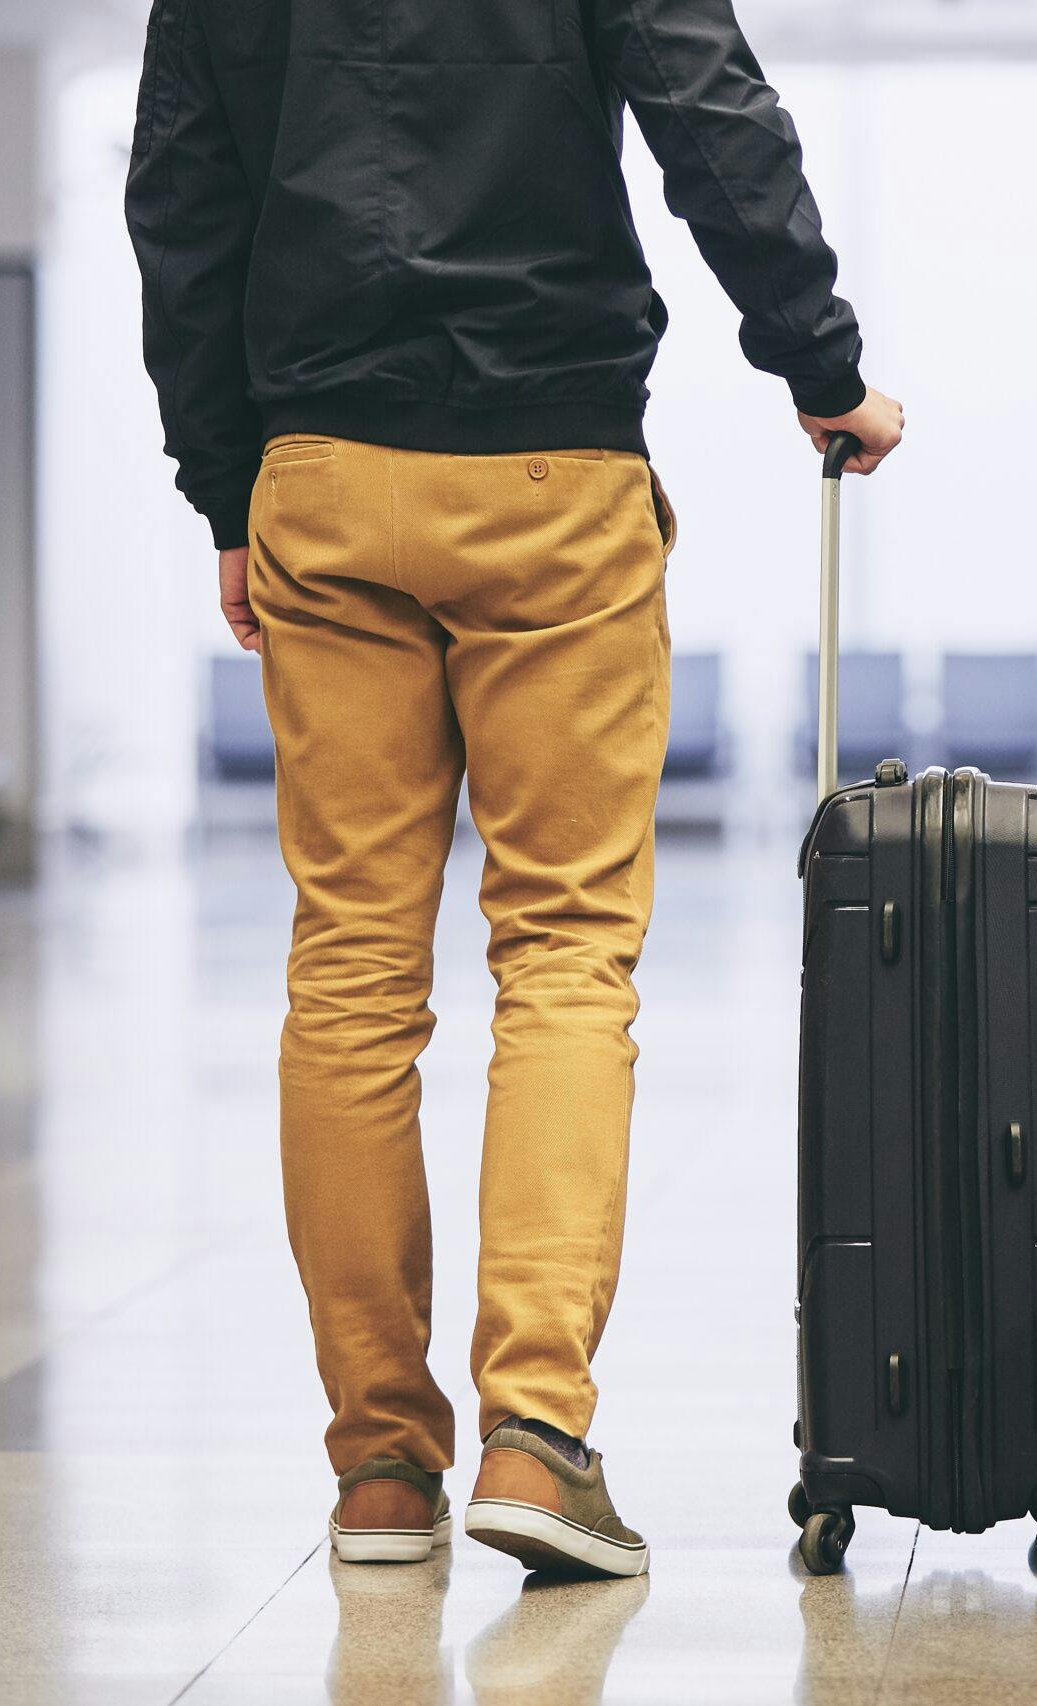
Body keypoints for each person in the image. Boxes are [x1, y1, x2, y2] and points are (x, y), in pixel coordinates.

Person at [126, 0, 904, 1577]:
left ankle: (381, 1473)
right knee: (562, 955)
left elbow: (183, 208)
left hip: (322, 474)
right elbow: (714, 118)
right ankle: (536, 1441)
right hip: (555, 467)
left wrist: (228, 482)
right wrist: (821, 364)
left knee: (349, 967)